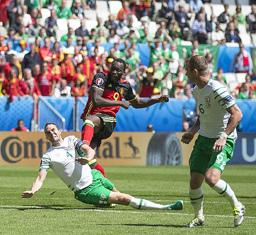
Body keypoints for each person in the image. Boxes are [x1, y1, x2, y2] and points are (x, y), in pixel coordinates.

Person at [22, 123, 183, 211]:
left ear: (59, 130)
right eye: (48, 132)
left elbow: (89, 150)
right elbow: (40, 178)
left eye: (53, 129)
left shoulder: (71, 139)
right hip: (85, 190)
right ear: (46, 136)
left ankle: (108, 202)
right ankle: (166, 208)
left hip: (95, 176)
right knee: (124, 199)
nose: (51, 133)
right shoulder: (48, 155)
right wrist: (33, 190)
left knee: (119, 196)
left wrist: (87, 159)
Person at [181, 55, 245, 227]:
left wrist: (223, 137)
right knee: (195, 181)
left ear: (195, 71)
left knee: (211, 178)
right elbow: (203, 116)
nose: (186, 74)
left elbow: (237, 114)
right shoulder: (196, 90)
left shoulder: (216, 88)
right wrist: (193, 132)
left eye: (187, 70)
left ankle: (237, 206)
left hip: (222, 140)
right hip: (203, 139)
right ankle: (199, 217)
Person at [80, 59, 169, 178]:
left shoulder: (125, 86)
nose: (114, 72)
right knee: (89, 160)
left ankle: (84, 146)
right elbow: (96, 100)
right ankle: (110, 188)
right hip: (94, 121)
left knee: (89, 122)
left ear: (123, 72)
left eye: (118, 70)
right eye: (113, 69)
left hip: (108, 119)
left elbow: (137, 103)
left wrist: (157, 100)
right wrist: (120, 103)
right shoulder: (101, 78)